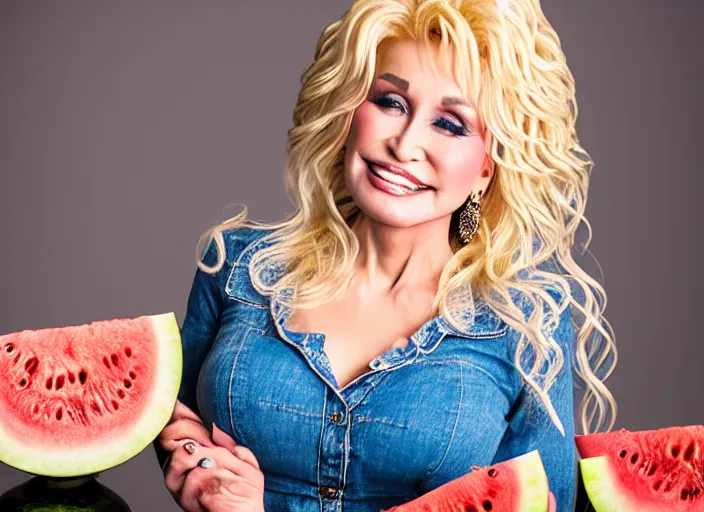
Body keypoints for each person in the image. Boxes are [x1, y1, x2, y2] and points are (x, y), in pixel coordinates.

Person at [155, 0, 617, 510]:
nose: (404, 143)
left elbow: (536, 499)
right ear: (350, 108)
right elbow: (170, 419)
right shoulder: (237, 266)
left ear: (487, 165)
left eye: (451, 124)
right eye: (391, 102)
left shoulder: (526, 321)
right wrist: (195, 464)